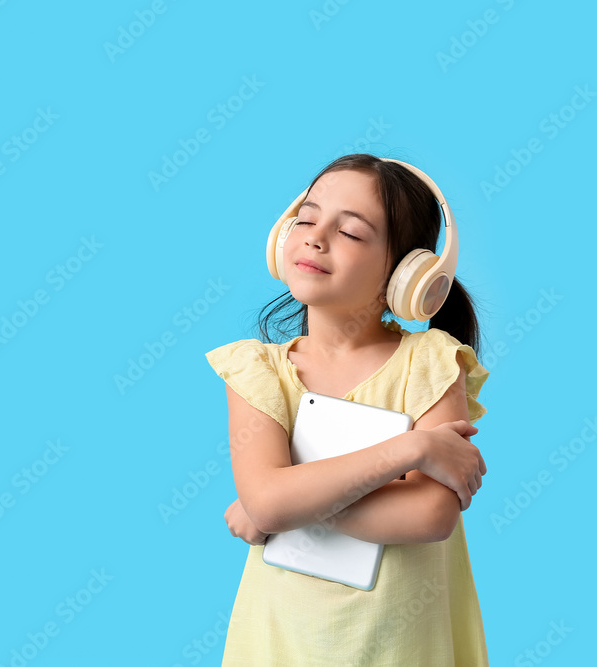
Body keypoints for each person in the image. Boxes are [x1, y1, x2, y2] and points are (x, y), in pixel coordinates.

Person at [204, 153, 491, 665]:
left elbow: (429, 514)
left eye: (352, 233)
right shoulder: (257, 370)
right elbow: (268, 502)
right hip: (279, 645)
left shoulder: (430, 363)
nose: (316, 237)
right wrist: (413, 447)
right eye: (308, 218)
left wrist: (290, 504)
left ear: (407, 275)